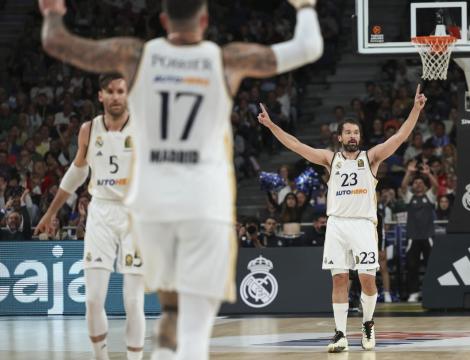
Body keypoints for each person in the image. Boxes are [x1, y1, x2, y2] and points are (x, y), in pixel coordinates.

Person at [39, 0, 323, 359]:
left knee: (171, 311)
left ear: (162, 20)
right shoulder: (226, 60)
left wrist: (51, 12)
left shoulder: (135, 56)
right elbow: (309, 47)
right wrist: (306, 6)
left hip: (151, 206)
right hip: (204, 203)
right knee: (194, 326)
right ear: (204, 20)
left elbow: (56, 43)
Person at [258, 85, 427, 352]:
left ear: (360, 136)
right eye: (348, 132)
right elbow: (297, 145)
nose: (352, 136)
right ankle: (339, 333)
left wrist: (415, 110)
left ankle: (368, 323)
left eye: (356, 132)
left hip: (363, 224)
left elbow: (400, 137)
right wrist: (270, 126)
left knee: (367, 280)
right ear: (340, 137)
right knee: (339, 280)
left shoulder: (371, 158)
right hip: (336, 224)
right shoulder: (330, 159)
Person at [34, 74, 145, 360]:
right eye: (111, 91)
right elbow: (78, 172)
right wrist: (50, 211)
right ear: (101, 96)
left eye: (121, 91)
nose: (116, 96)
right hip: (101, 211)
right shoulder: (88, 129)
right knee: (94, 300)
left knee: (133, 301)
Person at [398, 161, 439, 303]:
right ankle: (413, 292)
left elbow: (436, 187)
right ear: (413, 186)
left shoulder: (429, 197)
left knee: (432, 265)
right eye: (415, 183)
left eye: (421, 182)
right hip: (413, 237)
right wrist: (409, 173)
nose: (418, 184)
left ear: (425, 185)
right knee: (412, 267)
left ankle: (432, 290)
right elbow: (403, 187)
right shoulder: (410, 197)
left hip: (428, 236)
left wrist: (429, 174)